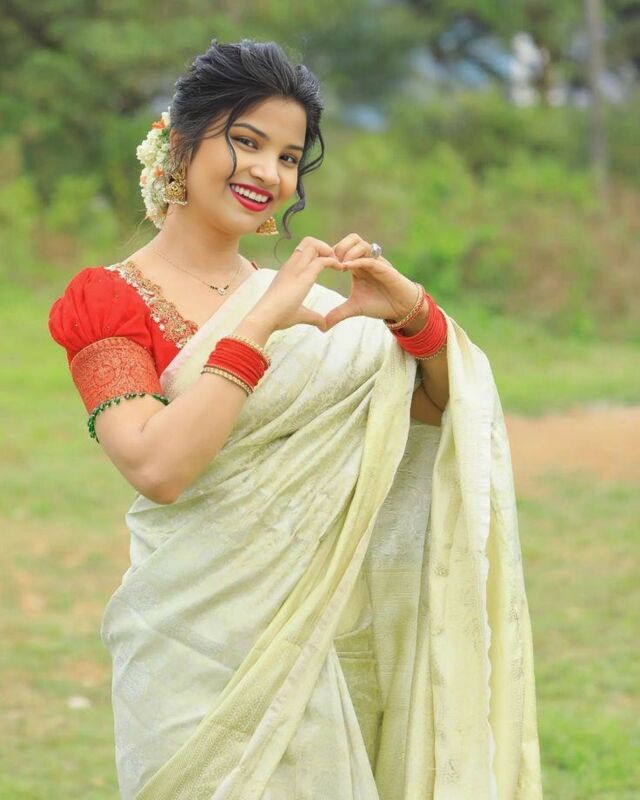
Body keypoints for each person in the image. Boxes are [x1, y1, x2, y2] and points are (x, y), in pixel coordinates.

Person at [48, 38, 543, 800]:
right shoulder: (109, 300)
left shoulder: (311, 305)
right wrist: (260, 322)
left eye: (287, 157)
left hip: (310, 647)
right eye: (245, 142)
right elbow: (157, 466)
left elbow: (439, 416)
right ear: (180, 143)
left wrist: (413, 314)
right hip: (184, 657)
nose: (267, 173)